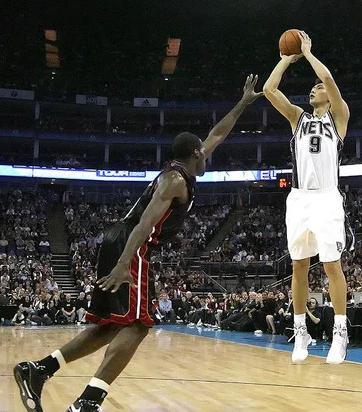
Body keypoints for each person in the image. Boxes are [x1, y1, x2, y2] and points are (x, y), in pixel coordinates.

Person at [13, 75, 263, 412]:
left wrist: (243, 104)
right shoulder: (175, 181)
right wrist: (123, 264)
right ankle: (88, 403)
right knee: (140, 326)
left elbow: (218, 132)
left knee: (108, 327)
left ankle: (39, 370)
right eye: (204, 153)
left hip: (118, 241)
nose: (209, 155)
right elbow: (145, 224)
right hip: (132, 247)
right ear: (196, 155)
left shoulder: (180, 171)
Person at [263, 31, 354, 364]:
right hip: (299, 198)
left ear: (328, 98)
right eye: (312, 88)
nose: (314, 89)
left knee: (331, 264)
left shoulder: (338, 116)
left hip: (327, 197)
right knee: (299, 264)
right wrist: (287, 58)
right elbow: (269, 90)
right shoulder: (298, 118)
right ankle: (300, 332)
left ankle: (340, 334)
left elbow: (327, 77)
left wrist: (308, 51)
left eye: (318, 89)